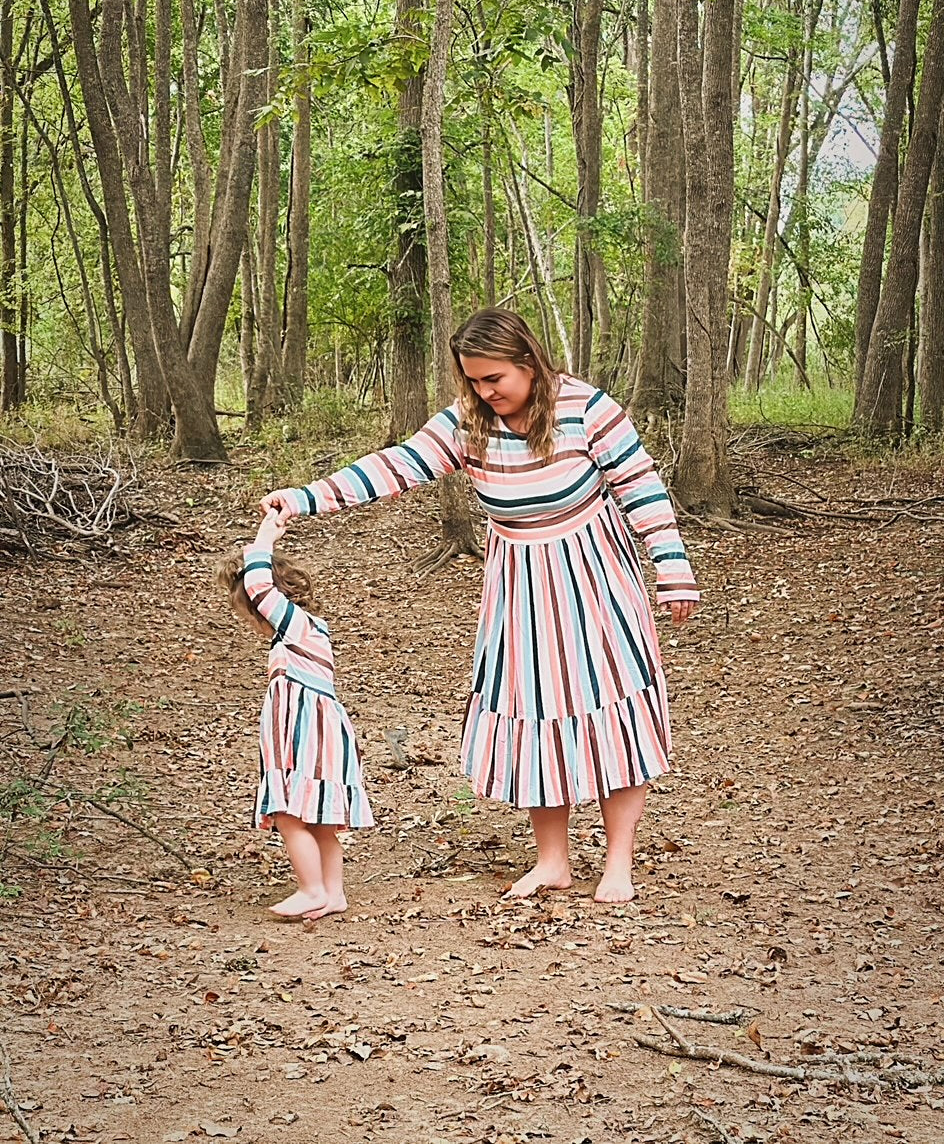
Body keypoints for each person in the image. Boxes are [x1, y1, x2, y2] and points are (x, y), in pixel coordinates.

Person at [262, 309, 698, 904]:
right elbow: (396, 466)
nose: (484, 391)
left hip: (596, 575)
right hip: (518, 581)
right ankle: (553, 862)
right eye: (473, 381)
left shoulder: (588, 409)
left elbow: (641, 488)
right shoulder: (467, 422)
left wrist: (672, 571)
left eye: (494, 378)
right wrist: (307, 498)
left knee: (609, 706)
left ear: (529, 361)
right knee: (536, 711)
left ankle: (617, 861)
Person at [216, 507, 373, 920]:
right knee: (319, 817)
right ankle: (333, 893)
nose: (254, 621)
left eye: (251, 614)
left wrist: (263, 539)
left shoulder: (294, 625)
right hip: (322, 733)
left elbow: (256, 584)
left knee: (288, 813)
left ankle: (311, 888)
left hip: (306, 734)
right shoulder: (310, 630)